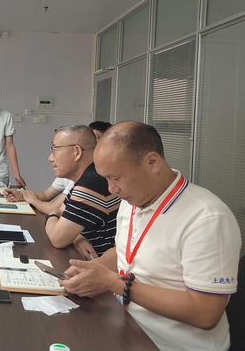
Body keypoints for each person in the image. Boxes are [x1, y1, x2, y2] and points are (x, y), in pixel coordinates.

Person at [59, 122, 240, 350]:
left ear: (152, 163)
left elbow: (205, 313)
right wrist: (91, 270)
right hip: (125, 327)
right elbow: (125, 253)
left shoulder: (207, 218)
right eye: (106, 179)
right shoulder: (132, 200)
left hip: (169, 345)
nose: (111, 189)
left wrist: (113, 283)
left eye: (116, 178)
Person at [43, 125, 120, 257]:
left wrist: (51, 215)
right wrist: (76, 237)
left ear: (77, 152)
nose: (50, 158)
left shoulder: (92, 183)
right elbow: (61, 213)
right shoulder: (90, 176)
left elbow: (57, 238)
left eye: (55, 150)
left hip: (99, 265)